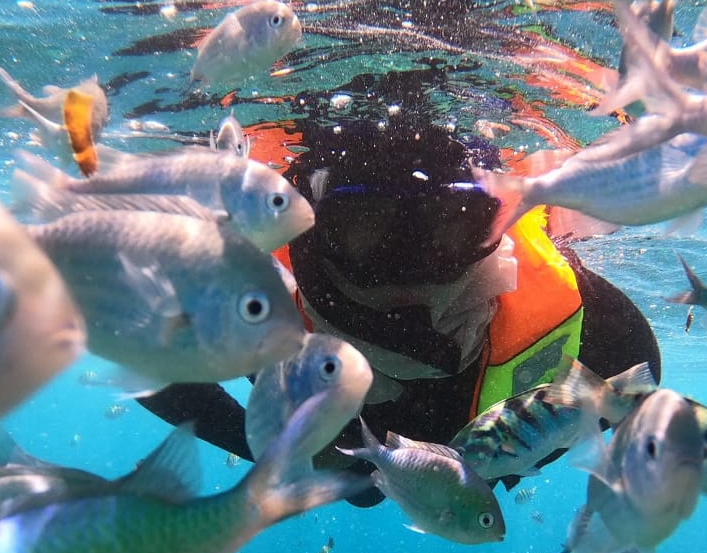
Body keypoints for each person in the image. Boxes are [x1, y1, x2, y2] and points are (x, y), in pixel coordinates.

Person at [139, 87, 660, 505]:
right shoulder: (249, 280)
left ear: (495, 220)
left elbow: (635, 377)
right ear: (310, 228)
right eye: (368, 222)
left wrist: (509, 460)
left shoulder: (571, 310)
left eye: (450, 221)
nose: (412, 260)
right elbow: (135, 347)